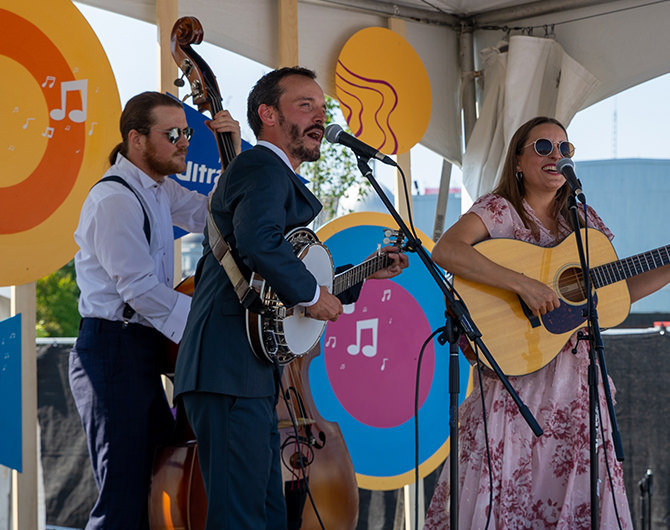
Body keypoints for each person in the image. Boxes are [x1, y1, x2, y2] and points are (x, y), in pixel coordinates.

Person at [173, 66, 408, 529]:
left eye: (322, 108)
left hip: (244, 373)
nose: (320, 117)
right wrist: (310, 294)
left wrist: (361, 276)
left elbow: (277, 278)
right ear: (268, 114)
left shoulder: (269, 175)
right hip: (227, 369)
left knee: (265, 513)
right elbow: (260, 243)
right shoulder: (261, 166)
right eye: (305, 105)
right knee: (243, 516)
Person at [424, 116, 670, 529]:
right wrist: (523, 284)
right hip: (513, 383)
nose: (556, 156)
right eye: (543, 147)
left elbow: (616, 289)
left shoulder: (583, 220)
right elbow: (447, 250)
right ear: (518, 161)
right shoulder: (500, 210)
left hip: (574, 388)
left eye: (564, 149)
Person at [68, 91, 241, 530]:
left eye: (185, 131)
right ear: (137, 139)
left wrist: (233, 156)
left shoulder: (159, 189)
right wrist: (205, 326)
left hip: (139, 350)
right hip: (111, 351)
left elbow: (214, 215)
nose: (184, 141)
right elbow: (140, 289)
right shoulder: (115, 200)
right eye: (173, 133)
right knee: (123, 500)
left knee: (156, 488)